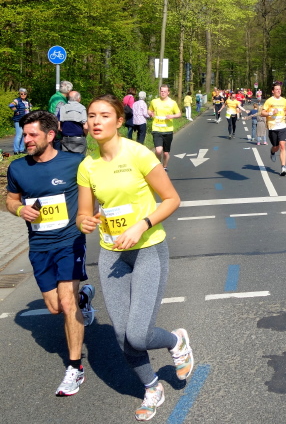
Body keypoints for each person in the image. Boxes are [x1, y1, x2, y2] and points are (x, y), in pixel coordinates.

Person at [76, 95, 193, 421]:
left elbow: (171, 199)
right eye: (91, 115)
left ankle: (176, 342)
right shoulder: (87, 166)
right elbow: (84, 213)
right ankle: (152, 386)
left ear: (119, 121)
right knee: (121, 335)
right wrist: (84, 222)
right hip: (112, 255)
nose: (96, 121)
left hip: (147, 248)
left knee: (138, 334)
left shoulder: (138, 154)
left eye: (104, 115)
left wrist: (142, 224)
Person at [5, 110, 95, 396]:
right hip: (39, 246)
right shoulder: (18, 168)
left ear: (51, 135)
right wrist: (20, 210)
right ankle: (84, 297)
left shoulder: (75, 162)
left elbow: (96, 190)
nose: (27, 140)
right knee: (55, 306)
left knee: (67, 303)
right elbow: (10, 200)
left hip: (70, 242)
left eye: (33, 134)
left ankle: (75, 368)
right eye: (25, 135)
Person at [148, 85, 181, 172]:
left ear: (168, 92)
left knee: (166, 153)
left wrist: (172, 116)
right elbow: (149, 110)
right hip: (156, 129)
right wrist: (150, 113)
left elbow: (179, 114)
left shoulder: (172, 103)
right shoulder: (154, 101)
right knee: (158, 151)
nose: (162, 93)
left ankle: (164, 166)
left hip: (168, 130)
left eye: (165, 91)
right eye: (161, 91)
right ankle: (158, 166)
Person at [261, 83, 286, 176]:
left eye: (279, 89)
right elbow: (262, 113)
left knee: (282, 145)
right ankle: (272, 151)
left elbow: (285, 111)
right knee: (276, 147)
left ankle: (283, 167)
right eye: (277, 89)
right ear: (273, 91)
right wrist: (271, 112)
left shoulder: (284, 101)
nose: (279, 91)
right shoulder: (269, 101)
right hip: (272, 127)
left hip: (282, 126)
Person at [57, 91, 88, 156]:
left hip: (65, 139)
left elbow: (58, 127)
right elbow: (85, 127)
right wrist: (85, 135)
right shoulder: (82, 108)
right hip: (78, 139)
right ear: (79, 99)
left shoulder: (62, 108)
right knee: (80, 159)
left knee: (67, 159)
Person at [9, 87, 31, 154]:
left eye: (24, 94)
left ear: (26, 94)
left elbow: (30, 109)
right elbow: (11, 105)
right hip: (18, 120)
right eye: (21, 94)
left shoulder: (27, 101)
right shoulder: (17, 100)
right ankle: (16, 150)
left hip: (26, 120)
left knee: (24, 134)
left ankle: (21, 149)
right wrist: (16, 111)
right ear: (19, 94)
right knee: (19, 135)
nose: (23, 95)